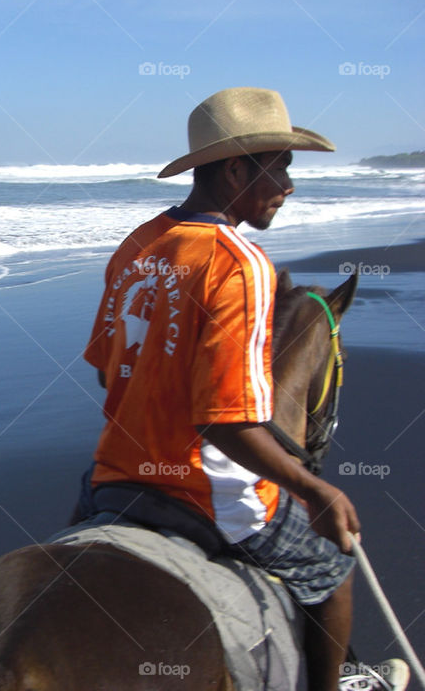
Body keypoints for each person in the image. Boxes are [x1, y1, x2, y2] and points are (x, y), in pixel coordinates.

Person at [79, 88, 409, 691]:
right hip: (207, 491)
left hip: (114, 477)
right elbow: (223, 420)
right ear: (236, 167)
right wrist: (314, 489)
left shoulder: (138, 244)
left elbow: (109, 370)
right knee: (331, 569)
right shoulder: (239, 261)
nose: (287, 183)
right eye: (279, 165)